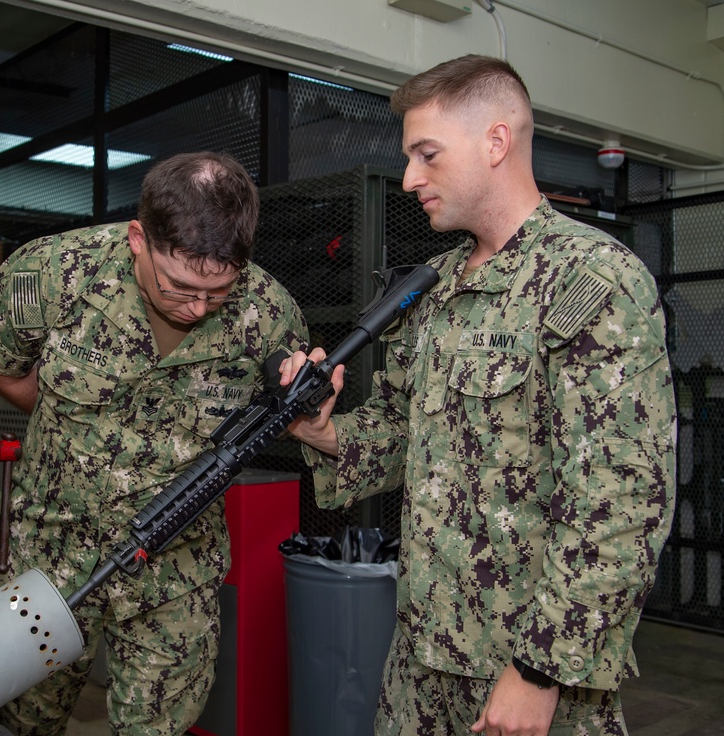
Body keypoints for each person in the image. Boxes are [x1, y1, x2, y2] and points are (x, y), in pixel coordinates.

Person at [281, 55, 676, 736]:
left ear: (495, 142)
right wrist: (322, 429)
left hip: (526, 672)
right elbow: (401, 436)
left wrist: (540, 671)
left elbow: (622, 500)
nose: (409, 179)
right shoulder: (430, 287)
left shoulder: (591, 281)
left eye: (426, 154)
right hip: (421, 659)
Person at [0, 150, 309, 736]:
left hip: (176, 566)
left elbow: (289, 401)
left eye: (218, 291)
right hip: (49, 550)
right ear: (137, 239)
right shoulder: (52, 274)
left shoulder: (270, 313)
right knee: (19, 719)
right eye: (178, 285)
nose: (198, 307)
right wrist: (75, 432)